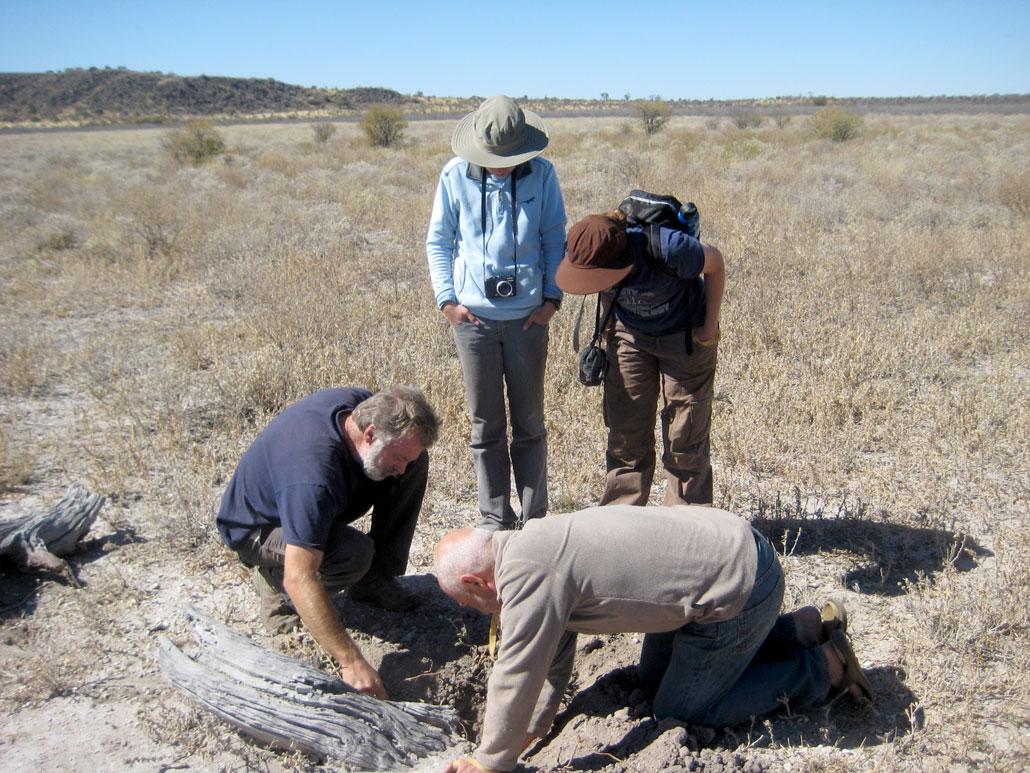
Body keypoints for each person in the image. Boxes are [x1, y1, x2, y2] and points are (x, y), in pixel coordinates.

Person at [434, 506, 872, 773]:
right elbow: (550, 661)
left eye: (467, 603)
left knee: (678, 711)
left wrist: (491, 761)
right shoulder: (532, 543)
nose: (473, 611)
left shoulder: (529, 579)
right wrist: (531, 729)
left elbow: (518, 671)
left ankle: (822, 668)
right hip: (734, 551)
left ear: (476, 581)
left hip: (739, 586)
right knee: (652, 677)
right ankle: (801, 629)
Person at [216, 385, 441, 700]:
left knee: (416, 465)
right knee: (350, 554)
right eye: (397, 457)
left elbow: (402, 458)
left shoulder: (363, 407)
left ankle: (374, 579)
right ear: (370, 435)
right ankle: (272, 584)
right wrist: (351, 662)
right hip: (260, 528)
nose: (400, 469)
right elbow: (300, 576)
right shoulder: (312, 477)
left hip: (309, 503)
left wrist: (404, 461)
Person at [426, 94, 567, 531]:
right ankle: (494, 516)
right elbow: (438, 242)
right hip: (474, 322)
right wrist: (447, 301)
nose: (501, 165)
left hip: (528, 320)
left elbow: (554, 238)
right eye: (493, 158)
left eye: (510, 157)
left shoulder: (542, 174)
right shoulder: (454, 176)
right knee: (485, 424)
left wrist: (551, 300)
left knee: (529, 422)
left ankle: (536, 517)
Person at [555, 210, 725, 506]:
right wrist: (610, 330)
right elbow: (603, 285)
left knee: (685, 434)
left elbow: (716, 264)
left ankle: (690, 524)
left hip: (684, 334)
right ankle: (623, 521)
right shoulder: (588, 254)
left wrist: (709, 329)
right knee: (625, 431)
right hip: (630, 335)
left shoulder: (670, 248)